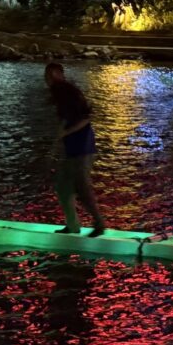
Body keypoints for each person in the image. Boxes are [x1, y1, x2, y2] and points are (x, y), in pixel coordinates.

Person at [45, 63, 106, 237]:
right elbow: (65, 120)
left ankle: (99, 224)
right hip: (71, 147)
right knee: (63, 186)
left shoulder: (68, 92)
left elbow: (86, 118)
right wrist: (59, 142)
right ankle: (72, 225)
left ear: (57, 74)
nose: (47, 79)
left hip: (82, 146)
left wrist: (65, 133)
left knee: (82, 187)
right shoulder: (61, 93)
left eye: (49, 75)